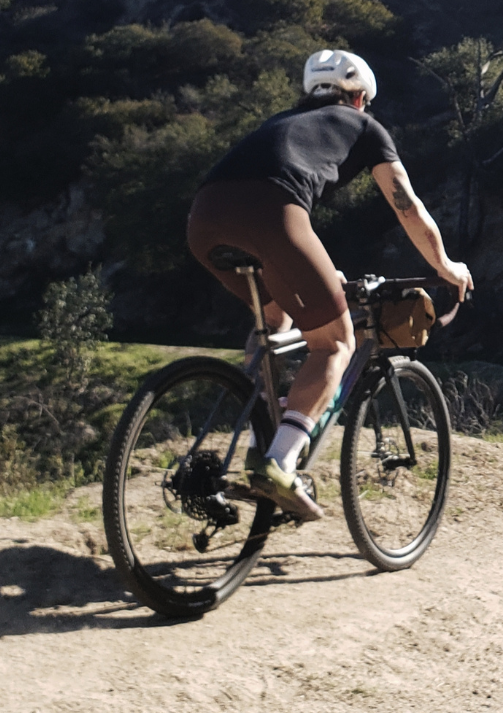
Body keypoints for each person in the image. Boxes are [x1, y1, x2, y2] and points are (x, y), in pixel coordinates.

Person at [186, 49, 473, 521]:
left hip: (203, 219)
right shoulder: (364, 127)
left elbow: (272, 201)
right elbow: (407, 206)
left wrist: (317, 274)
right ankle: (278, 462)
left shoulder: (284, 123)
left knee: (273, 322)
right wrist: (445, 265)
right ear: (360, 97)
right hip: (272, 217)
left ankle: (261, 441)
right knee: (335, 342)